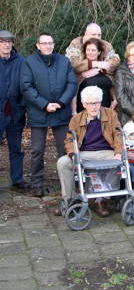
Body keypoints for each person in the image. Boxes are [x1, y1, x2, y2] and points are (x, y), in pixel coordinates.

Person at [20, 32, 78, 197]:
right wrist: (44, 105)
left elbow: (72, 84)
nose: (47, 46)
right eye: (44, 43)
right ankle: (37, 184)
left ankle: (66, 183)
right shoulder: (29, 62)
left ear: (54, 44)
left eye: (50, 43)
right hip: (38, 113)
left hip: (61, 112)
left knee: (64, 149)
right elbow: (26, 87)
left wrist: (60, 103)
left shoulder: (63, 61)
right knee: (37, 150)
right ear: (38, 45)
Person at [56, 86, 122, 217]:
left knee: (119, 163)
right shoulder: (76, 120)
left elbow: (118, 135)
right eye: (90, 103)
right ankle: (69, 200)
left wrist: (118, 153)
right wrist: (73, 154)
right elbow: (69, 140)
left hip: (106, 151)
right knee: (63, 162)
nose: (94, 107)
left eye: (97, 103)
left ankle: (101, 200)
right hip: (84, 153)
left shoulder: (111, 114)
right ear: (83, 104)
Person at [0, 30, 28, 189]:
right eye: (3, 42)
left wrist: (22, 103)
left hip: (15, 113)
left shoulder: (21, 62)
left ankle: (17, 179)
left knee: (16, 148)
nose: (6, 44)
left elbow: (26, 85)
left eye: (9, 41)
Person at [75, 38, 117, 113]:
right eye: (88, 50)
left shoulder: (104, 66)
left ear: (99, 52)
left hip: (105, 110)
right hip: (85, 111)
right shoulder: (80, 68)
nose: (90, 52)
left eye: (93, 50)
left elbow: (110, 84)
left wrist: (115, 100)